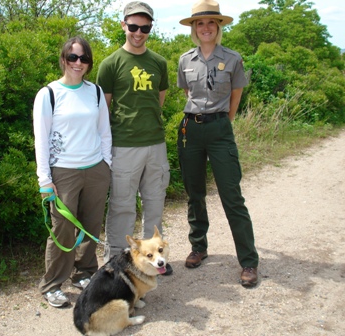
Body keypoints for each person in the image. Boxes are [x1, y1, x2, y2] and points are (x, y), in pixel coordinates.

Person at [177, 0, 259, 287]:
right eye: (200, 23)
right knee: (194, 192)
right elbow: (188, 92)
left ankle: (248, 261)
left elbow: (236, 95)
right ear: (194, 28)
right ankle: (198, 247)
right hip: (191, 130)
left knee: (231, 195)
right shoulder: (185, 59)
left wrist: (223, 121)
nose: (206, 27)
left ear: (219, 26)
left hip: (220, 129)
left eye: (211, 22)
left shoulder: (233, 58)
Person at [33, 37, 112, 307]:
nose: (78, 63)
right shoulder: (49, 94)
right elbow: (40, 140)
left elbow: (104, 131)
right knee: (62, 230)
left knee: (90, 226)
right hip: (63, 172)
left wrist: (107, 164)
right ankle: (52, 284)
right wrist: (45, 180)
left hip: (96, 169)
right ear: (63, 59)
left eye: (83, 58)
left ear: (89, 62)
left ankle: (85, 274)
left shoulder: (96, 92)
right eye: (72, 57)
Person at [96, 1, 172, 275]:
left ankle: (153, 262)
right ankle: (117, 264)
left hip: (155, 144)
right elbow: (103, 111)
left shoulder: (159, 63)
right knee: (122, 207)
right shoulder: (110, 64)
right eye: (133, 26)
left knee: (154, 205)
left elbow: (157, 101)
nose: (139, 32)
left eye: (145, 27)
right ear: (123, 25)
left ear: (151, 27)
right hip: (124, 146)